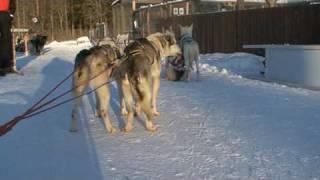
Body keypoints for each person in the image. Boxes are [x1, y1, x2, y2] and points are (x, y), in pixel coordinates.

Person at [0, 0, 16, 76]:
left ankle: (5, 66)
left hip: (5, 14)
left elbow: (12, 2)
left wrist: (11, 14)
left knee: (6, 39)